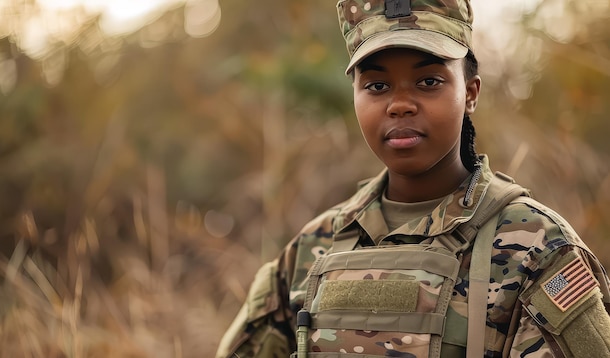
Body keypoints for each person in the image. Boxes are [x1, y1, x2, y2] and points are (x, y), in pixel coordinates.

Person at [216, 0, 610, 356]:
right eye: (377, 86)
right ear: (355, 95)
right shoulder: (313, 247)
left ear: (470, 93)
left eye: (428, 82)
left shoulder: (534, 246)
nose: (400, 104)